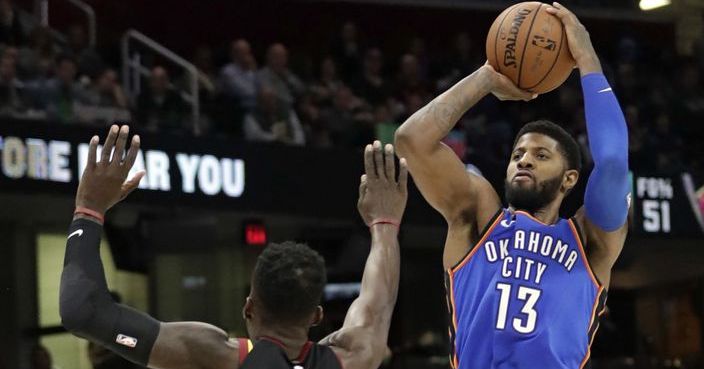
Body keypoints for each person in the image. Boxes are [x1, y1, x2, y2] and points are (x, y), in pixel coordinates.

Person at [394, 3, 629, 368]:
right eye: (518, 153)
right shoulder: (479, 216)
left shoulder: (588, 240)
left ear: (570, 179)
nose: (524, 160)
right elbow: (411, 140)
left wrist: (586, 57)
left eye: (540, 155)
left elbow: (613, 163)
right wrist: (487, 78)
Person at [59, 124, 408, 369]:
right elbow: (376, 304)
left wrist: (89, 209)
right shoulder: (354, 357)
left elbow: (83, 312)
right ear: (317, 317)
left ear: (248, 308)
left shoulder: (213, 357)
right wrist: (385, 225)